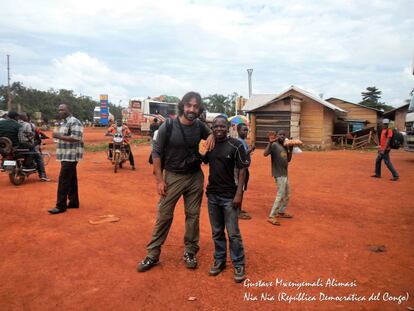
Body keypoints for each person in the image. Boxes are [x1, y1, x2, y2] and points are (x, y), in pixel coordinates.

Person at [137, 91, 214, 272]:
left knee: (193, 216)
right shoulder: (168, 125)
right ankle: (152, 254)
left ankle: (190, 252)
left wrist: (210, 135)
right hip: (172, 177)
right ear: (182, 106)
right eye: (189, 105)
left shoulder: (200, 126)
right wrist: (159, 180)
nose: (192, 109)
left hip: (195, 176)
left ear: (199, 108)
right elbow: (156, 153)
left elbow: (211, 134)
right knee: (164, 215)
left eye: (196, 106)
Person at [204, 115, 249, 283]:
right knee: (217, 232)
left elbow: (242, 170)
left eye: (222, 126)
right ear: (212, 128)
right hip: (212, 195)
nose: (219, 129)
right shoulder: (211, 144)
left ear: (228, 127)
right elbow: (204, 160)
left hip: (229, 197)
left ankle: (238, 263)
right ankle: (220, 260)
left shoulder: (236, 145)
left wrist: (238, 194)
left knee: (233, 233)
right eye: (216, 126)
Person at [48, 104, 84, 215]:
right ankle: (73, 202)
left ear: (68, 110)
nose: (60, 111)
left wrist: (58, 136)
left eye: (62, 109)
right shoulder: (64, 122)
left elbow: (76, 138)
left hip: (71, 155)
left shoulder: (74, 121)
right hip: (65, 155)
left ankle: (60, 206)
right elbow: (65, 137)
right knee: (71, 179)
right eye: (59, 109)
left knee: (63, 180)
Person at [264, 130, 294, 226]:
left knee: (287, 194)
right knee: (280, 194)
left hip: (285, 173)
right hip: (279, 174)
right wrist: (270, 142)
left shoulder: (284, 146)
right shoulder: (274, 145)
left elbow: (288, 160)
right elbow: (265, 154)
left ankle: (281, 211)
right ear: (277, 136)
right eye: (280, 134)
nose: (282, 136)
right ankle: (272, 216)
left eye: (284, 135)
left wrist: (291, 149)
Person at [19, 112, 50, 181]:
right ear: (26, 117)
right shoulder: (29, 124)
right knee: (38, 156)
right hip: (27, 144)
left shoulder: (16, 124)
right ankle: (42, 175)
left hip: (16, 145)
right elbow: (33, 134)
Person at [236, 123, 255, 220]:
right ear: (238, 131)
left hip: (245, 169)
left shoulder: (242, 141)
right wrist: (250, 149)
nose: (246, 132)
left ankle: (239, 208)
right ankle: (238, 211)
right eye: (244, 130)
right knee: (240, 189)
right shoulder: (239, 142)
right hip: (241, 170)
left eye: (247, 130)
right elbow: (242, 155)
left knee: (242, 189)